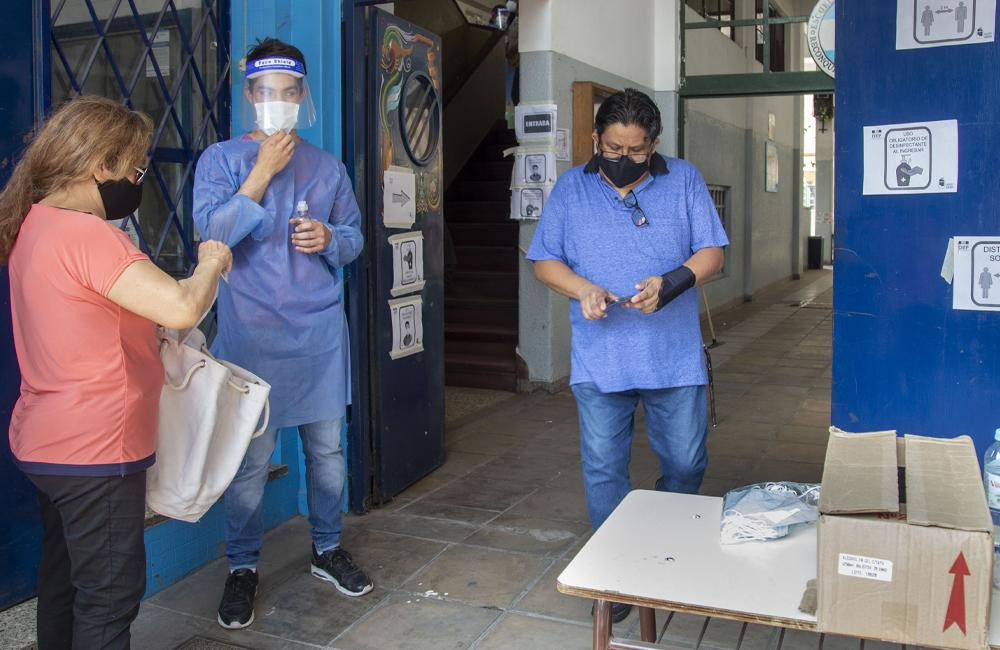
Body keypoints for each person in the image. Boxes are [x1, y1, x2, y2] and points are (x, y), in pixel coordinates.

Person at [0, 96, 231, 649]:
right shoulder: (87, 234)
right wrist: (211, 264)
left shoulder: (36, 224)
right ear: (99, 164)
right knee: (108, 600)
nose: (137, 179)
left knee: (63, 587)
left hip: (47, 442)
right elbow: (180, 306)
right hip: (94, 450)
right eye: (135, 167)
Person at [526, 88, 728, 624]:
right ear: (597, 140)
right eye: (613, 148)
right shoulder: (571, 189)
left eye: (637, 151)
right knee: (603, 468)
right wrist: (582, 290)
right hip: (601, 359)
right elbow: (544, 262)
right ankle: (617, 571)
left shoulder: (682, 178)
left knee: (686, 461)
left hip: (673, 357)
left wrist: (674, 281)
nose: (623, 159)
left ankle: (662, 544)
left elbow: (713, 252)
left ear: (654, 145)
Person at [192, 38, 370, 630]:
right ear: (249, 97)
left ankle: (326, 548)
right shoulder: (221, 160)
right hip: (251, 336)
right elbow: (212, 235)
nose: (279, 103)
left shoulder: (327, 167)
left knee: (326, 453)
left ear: (303, 97)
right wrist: (261, 174)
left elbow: (353, 237)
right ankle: (242, 566)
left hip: (318, 335)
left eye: (290, 94)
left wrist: (331, 240)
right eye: (268, 94)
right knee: (251, 463)